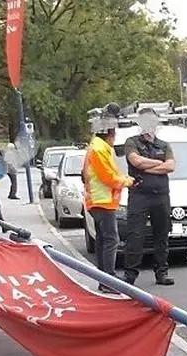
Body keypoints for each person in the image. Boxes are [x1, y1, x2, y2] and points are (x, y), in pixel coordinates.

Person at [83, 103, 135, 295]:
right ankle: (108, 279)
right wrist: (128, 181)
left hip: (98, 201)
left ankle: (104, 279)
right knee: (111, 240)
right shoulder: (100, 149)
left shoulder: (96, 146)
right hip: (102, 202)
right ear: (110, 133)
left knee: (103, 241)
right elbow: (109, 177)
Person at [120, 107, 176, 286]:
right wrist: (160, 163)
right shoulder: (132, 142)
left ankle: (161, 273)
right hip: (139, 196)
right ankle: (130, 276)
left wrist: (147, 167)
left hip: (161, 196)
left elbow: (171, 166)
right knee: (135, 236)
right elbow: (135, 161)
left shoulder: (164, 145)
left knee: (162, 235)